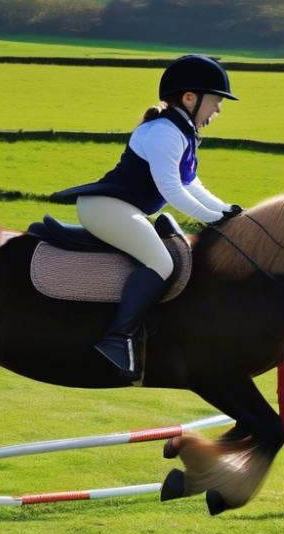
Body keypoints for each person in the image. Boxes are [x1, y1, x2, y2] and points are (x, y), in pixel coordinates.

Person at [52, 54, 243, 379]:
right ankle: (117, 339)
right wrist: (214, 220)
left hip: (121, 207)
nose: (218, 110)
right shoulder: (164, 132)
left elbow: (191, 184)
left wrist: (227, 212)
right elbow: (172, 190)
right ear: (189, 98)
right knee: (162, 262)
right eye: (216, 101)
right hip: (105, 207)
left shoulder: (180, 131)